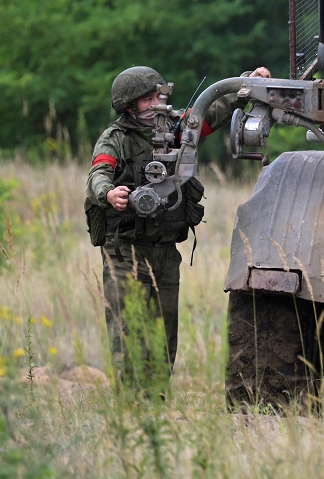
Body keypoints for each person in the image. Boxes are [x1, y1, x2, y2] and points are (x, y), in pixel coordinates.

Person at [86, 65, 270, 389]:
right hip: (126, 253)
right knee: (129, 333)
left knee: (164, 334)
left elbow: (210, 114)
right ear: (130, 106)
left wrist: (246, 86)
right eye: (147, 99)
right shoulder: (115, 138)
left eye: (158, 95)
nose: (156, 102)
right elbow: (98, 174)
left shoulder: (175, 129)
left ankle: (155, 403)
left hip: (165, 254)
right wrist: (108, 193)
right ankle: (130, 406)